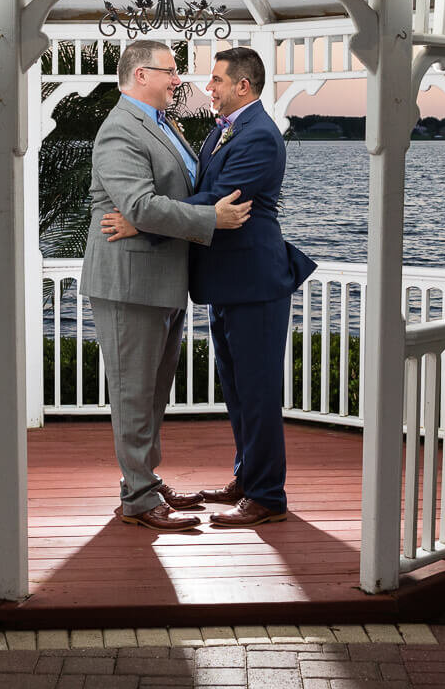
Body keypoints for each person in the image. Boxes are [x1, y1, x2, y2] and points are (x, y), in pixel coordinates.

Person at [103, 46, 314, 527]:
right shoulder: (224, 131)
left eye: (216, 80)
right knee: (237, 390)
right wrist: (153, 213)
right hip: (226, 283)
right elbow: (198, 195)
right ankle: (247, 476)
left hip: (255, 281)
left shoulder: (259, 134)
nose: (207, 87)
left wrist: (141, 222)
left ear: (243, 85)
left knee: (258, 391)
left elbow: (219, 199)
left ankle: (267, 495)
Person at [82, 38, 253, 531]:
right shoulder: (120, 130)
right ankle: (137, 497)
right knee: (134, 394)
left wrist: (145, 219)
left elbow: (155, 202)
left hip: (162, 279)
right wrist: (208, 219)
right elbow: (138, 204)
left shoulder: (162, 124)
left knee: (153, 394)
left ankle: (146, 481)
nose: (178, 80)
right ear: (140, 75)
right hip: (129, 284)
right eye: (170, 71)